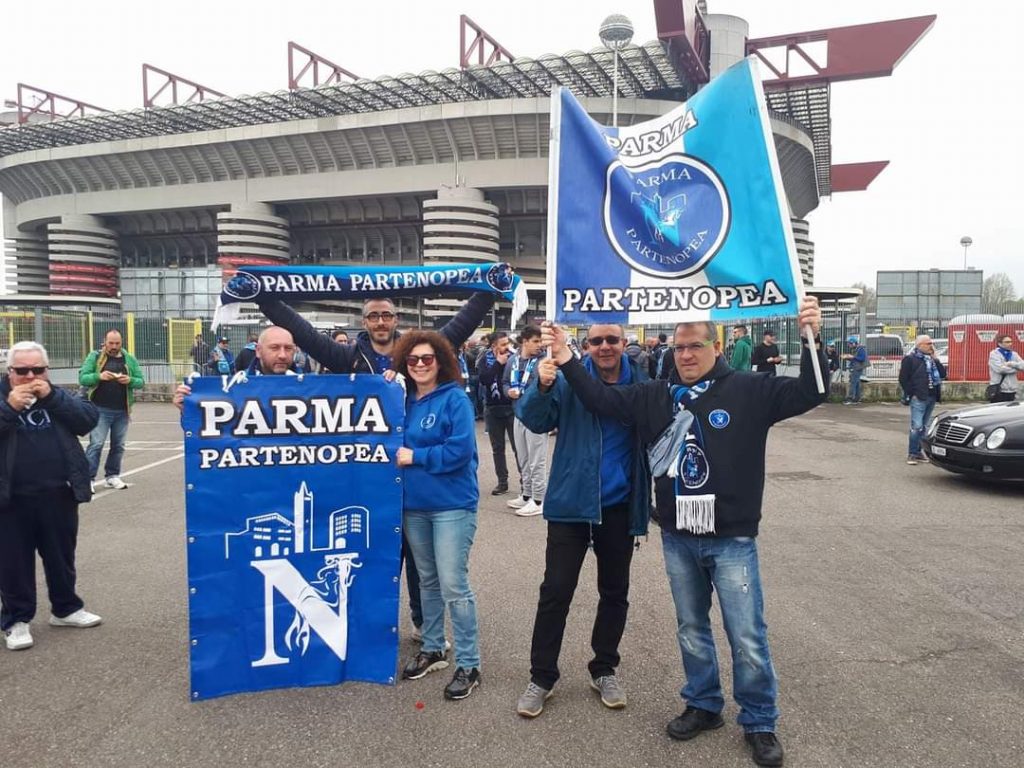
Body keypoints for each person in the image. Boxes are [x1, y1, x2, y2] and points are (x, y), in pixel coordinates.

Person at [542, 296, 826, 768]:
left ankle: (759, 720)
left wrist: (811, 334)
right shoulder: (655, 395)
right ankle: (703, 703)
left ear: (716, 347)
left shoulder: (750, 390)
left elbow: (811, 392)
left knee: (746, 634)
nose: (686, 355)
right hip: (678, 534)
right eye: (679, 348)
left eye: (695, 346)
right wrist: (567, 357)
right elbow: (600, 399)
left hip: (731, 537)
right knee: (692, 629)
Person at [255, 292, 494, 645]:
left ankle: (422, 624)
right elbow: (304, 333)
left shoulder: (415, 352)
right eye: (373, 316)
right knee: (374, 560)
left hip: (414, 482)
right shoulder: (348, 356)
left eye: (386, 315)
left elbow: (460, 325)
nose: (380, 322)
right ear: (364, 322)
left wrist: (487, 293)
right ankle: (370, 631)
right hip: (370, 484)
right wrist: (264, 299)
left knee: (421, 566)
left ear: (396, 319)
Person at [514, 324, 650, 718]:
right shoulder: (564, 377)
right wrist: (540, 387)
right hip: (571, 502)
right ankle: (542, 677)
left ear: (624, 343)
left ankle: (604, 668)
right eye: (596, 341)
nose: (605, 346)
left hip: (618, 505)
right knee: (556, 591)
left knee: (615, 592)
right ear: (586, 346)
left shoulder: (641, 381)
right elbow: (535, 421)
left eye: (612, 340)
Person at [391, 331, 482, 700]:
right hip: (414, 506)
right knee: (427, 581)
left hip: (452, 506)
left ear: (440, 361)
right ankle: (432, 647)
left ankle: (469, 664)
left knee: (453, 584)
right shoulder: (401, 400)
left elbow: (460, 451)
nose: (419, 365)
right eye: (412, 359)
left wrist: (417, 456)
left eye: (427, 358)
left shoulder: (455, 399)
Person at [1, 342, 102, 651]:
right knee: (13, 562)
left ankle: (66, 608)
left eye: (38, 369)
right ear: (9, 371)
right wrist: (9, 408)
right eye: (22, 371)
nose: (31, 376)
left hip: (58, 492)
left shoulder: (55, 395)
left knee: (61, 556)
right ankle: (17, 619)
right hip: (11, 498)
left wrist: (53, 397)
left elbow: (88, 420)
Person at [78, 329, 145, 492]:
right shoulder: (94, 357)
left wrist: (130, 380)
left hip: (122, 410)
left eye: (117, 343)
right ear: (105, 342)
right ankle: (88, 478)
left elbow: (141, 381)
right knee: (96, 444)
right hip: (100, 409)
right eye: (111, 343)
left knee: (118, 445)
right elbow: (83, 378)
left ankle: (112, 476)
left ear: (122, 343)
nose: (114, 346)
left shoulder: (129, 359)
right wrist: (99, 376)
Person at [173, 327, 304, 408]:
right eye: (274, 348)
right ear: (258, 351)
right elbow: (212, 433)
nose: (282, 355)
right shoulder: (234, 387)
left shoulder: (310, 387)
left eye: (288, 348)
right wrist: (188, 409)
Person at [503, 326, 548, 517]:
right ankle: (527, 494)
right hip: (518, 413)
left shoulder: (543, 361)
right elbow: (505, 382)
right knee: (523, 458)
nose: (540, 345)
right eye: (536, 341)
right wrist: (508, 392)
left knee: (537, 460)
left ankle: (538, 499)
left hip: (537, 416)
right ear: (524, 341)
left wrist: (525, 392)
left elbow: (545, 386)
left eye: (541, 341)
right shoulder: (512, 360)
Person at [477, 331, 519, 496]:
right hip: (492, 408)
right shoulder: (484, 358)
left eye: (507, 343)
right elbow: (484, 380)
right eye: (503, 344)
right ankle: (502, 482)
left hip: (511, 407)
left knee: (518, 447)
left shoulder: (514, 358)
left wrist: (505, 362)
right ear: (494, 346)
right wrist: (497, 364)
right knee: (498, 448)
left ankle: (526, 483)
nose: (506, 347)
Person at [899, 335, 947, 465]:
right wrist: (912, 393)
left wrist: (936, 359)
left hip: (931, 396)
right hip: (919, 397)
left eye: (931, 343)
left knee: (925, 427)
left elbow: (943, 374)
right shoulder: (910, 359)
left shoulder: (931, 359)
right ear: (919, 345)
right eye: (928, 343)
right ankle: (912, 453)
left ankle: (919, 452)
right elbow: (903, 378)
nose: (931, 346)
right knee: (917, 426)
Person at [987, 335, 1024, 402]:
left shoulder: (1014, 354)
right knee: (997, 408)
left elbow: (1023, 366)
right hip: (999, 389)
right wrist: (1017, 369)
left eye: (1011, 342)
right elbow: (1000, 369)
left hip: (1012, 390)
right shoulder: (994, 354)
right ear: (999, 343)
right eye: (1007, 342)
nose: (1010, 344)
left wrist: (1011, 364)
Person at [840, 336, 867, 404]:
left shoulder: (860, 349)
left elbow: (862, 358)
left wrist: (852, 357)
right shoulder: (855, 349)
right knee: (856, 383)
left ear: (854, 343)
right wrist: (847, 357)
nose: (849, 345)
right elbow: (855, 359)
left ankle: (850, 398)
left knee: (853, 383)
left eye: (850, 344)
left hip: (857, 368)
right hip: (855, 367)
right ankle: (857, 398)